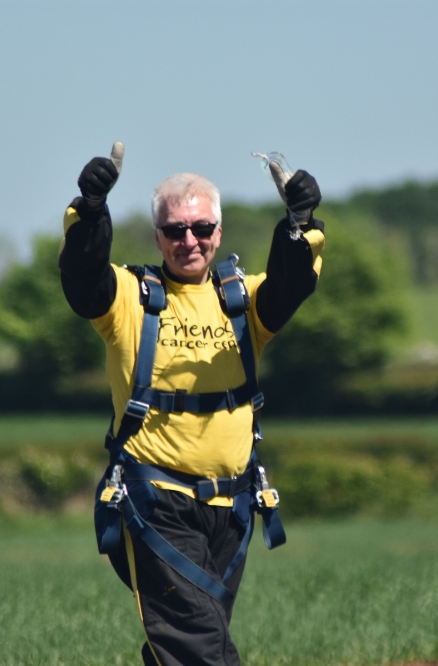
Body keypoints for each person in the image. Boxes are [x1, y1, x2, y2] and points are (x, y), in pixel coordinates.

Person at [58, 144, 325, 666]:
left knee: (183, 644)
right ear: (157, 235)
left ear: (218, 233)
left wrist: (299, 223)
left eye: (201, 228)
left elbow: (293, 285)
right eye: (175, 230)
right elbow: (83, 281)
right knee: (200, 647)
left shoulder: (241, 299)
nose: (189, 241)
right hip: (155, 500)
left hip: (234, 508)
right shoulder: (129, 297)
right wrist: (90, 211)